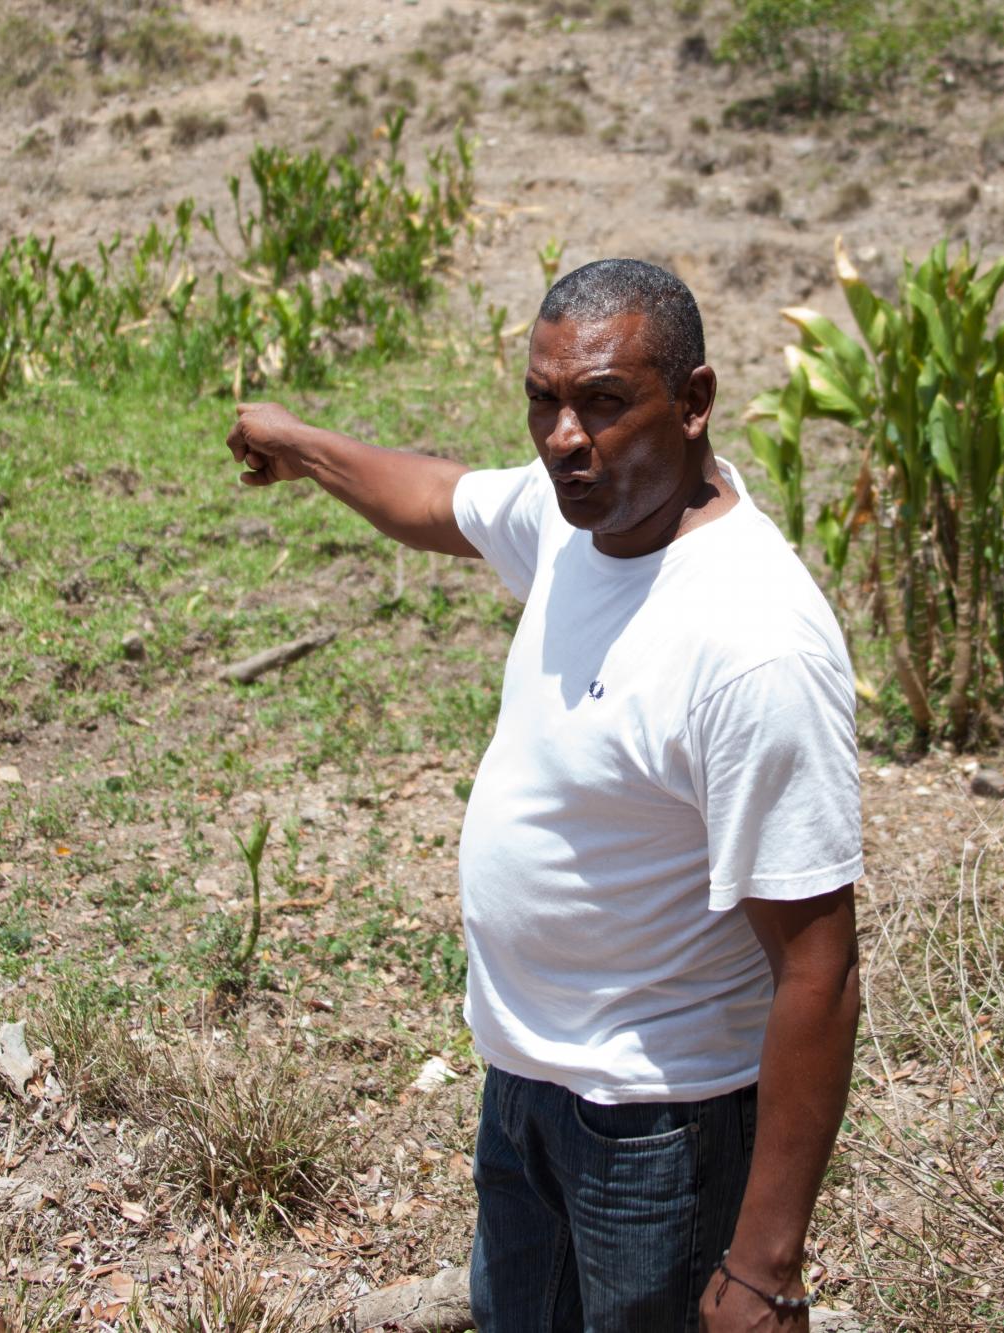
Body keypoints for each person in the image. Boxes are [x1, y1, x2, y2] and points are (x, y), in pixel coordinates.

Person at [223, 258, 861, 1333]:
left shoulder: (751, 640)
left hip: (662, 1127)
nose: (564, 434)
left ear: (694, 403)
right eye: (542, 399)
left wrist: (762, 1266)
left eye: (604, 402)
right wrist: (299, 447)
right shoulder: (580, 514)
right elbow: (436, 498)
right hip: (524, 1085)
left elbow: (817, 966)